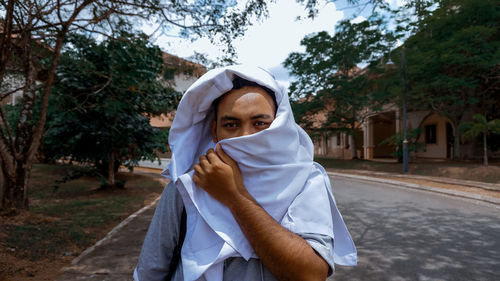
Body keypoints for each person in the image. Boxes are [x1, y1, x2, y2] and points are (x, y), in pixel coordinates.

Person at [134, 65, 356, 281]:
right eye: (231, 124)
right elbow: (150, 271)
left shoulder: (306, 182)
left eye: (260, 123)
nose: (245, 136)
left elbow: (310, 275)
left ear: (280, 127)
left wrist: (234, 196)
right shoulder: (188, 186)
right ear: (215, 132)